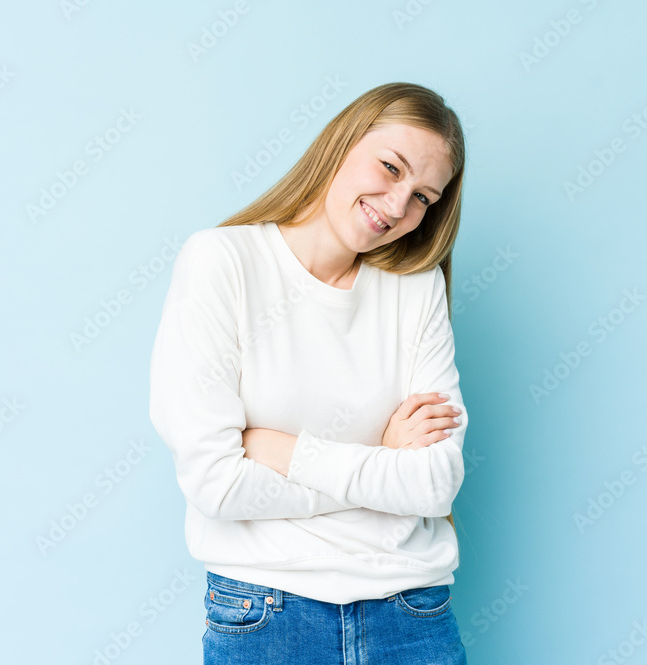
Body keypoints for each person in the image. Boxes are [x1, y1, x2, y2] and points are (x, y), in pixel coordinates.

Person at [149, 81, 470, 664]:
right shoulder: (222, 262)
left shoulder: (414, 288)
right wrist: (382, 462)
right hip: (265, 613)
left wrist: (285, 450)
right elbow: (217, 486)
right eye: (390, 167)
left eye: (424, 196)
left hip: (410, 614)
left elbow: (432, 484)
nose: (398, 206)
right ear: (341, 142)